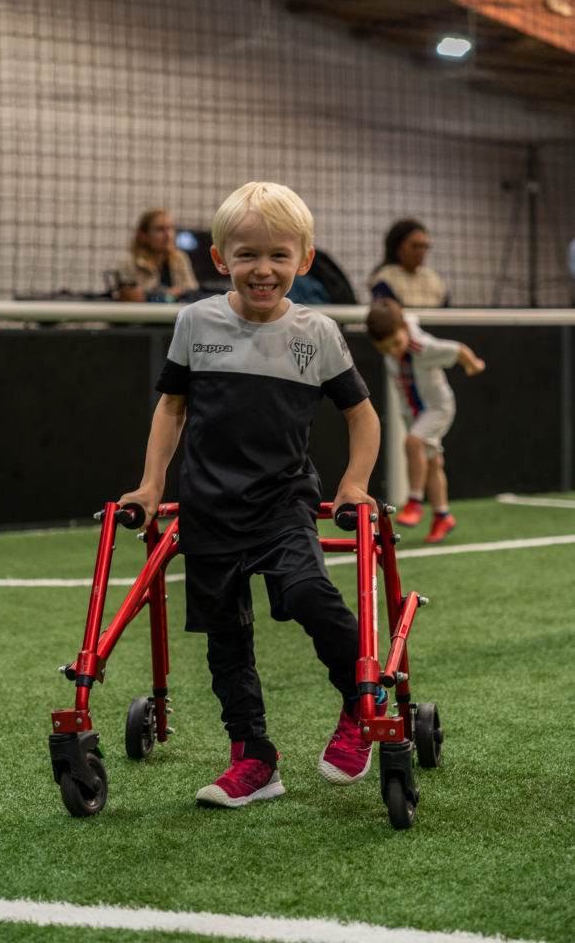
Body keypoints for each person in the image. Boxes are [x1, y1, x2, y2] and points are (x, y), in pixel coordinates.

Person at [119, 181, 382, 808]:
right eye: (246, 255)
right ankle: (254, 760)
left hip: (282, 503)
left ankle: (359, 703)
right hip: (209, 505)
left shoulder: (317, 332)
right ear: (220, 259)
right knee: (225, 639)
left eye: (278, 256)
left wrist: (353, 484)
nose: (262, 269)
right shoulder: (195, 321)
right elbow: (171, 409)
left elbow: (363, 416)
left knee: (311, 594)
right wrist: (153, 484)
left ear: (305, 260)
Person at [365, 298, 485, 543]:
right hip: (413, 411)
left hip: (438, 407)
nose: (393, 352)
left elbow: (459, 350)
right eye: (385, 349)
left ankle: (414, 501)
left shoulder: (422, 346)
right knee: (432, 463)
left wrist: (474, 365)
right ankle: (442, 516)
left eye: (397, 344)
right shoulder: (395, 338)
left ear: (405, 331)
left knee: (412, 443)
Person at [114, 209, 200, 302]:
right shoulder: (129, 261)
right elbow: (130, 297)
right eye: (160, 229)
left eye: (170, 228)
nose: (168, 235)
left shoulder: (180, 258)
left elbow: (192, 290)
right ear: (143, 235)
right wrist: (167, 294)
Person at [368, 218, 449, 307]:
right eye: (414, 246)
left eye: (424, 246)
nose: (420, 252)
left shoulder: (434, 279)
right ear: (398, 247)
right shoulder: (385, 279)